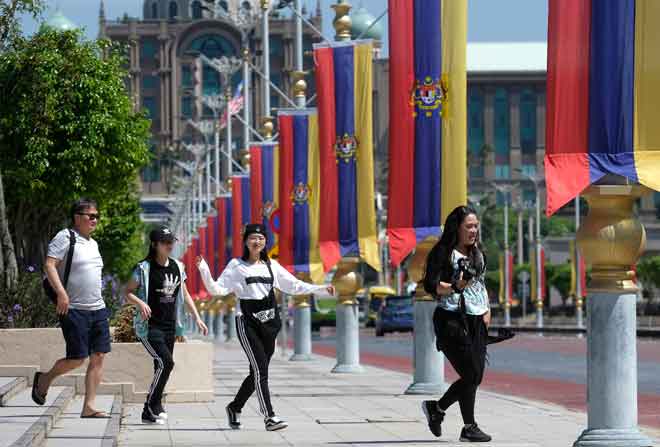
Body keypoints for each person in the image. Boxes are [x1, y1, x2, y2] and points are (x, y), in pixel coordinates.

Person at [196, 223, 335, 432]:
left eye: (261, 238)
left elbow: (294, 285)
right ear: (245, 241)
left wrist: (321, 289)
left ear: (265, 242)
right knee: (261, 370)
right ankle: (269, 416)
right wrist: (204, 269)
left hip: (269, 324)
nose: (257, 241)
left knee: (257, 372)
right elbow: (217, 289)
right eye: (253, 238)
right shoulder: (236, 265)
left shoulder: (272, 266)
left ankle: (234, 408)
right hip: (247, 323)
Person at [420, 205, 492, 443]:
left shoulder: (477, 253)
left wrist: (487, 309)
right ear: (457, 228)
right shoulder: (444, 253)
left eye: (476, 226)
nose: (474, 231)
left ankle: (442, 412)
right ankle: (460, 421)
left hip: (476, 319)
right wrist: (453, 286)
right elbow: (432, 286)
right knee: (471, 375)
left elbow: (480, 283)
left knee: (474, 375)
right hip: (451, 319)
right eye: (468, 226)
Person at [33, 198, 110, 418]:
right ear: (77, 217)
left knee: (99, 356)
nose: (95, 219)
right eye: (91, 216)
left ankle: (89, 406)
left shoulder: (93, 243)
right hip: (73, 308)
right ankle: (45, 379)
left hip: (98, 309)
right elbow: (49, 264)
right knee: (77, 358)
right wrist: (61, 293)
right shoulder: (65, 237)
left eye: (97, 216)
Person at [125, 226, 208, 424]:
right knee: (167, 363)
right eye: (165, 242)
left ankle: (150, 410)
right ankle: (153, 405)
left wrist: (197, 317)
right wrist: (141, 303)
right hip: (149, 327)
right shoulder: (143, 268)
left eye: (171, 242)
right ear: (155, 245)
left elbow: (185, 294)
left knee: (160, 366)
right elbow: (127, 292)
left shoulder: (178, 267)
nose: (169, 245)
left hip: (170, 327)